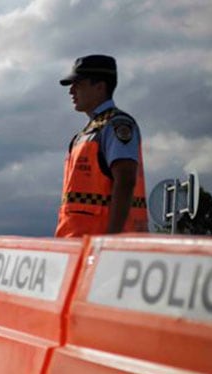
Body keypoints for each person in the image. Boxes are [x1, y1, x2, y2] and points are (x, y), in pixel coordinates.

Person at [56, 54, 148, 237]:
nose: (71, 91)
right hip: (81, 246)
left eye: (78, 84)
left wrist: (110, 241)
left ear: (100, 87)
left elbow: (126, 180)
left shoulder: (116, 125)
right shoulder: (89, 132)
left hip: (103, 248)